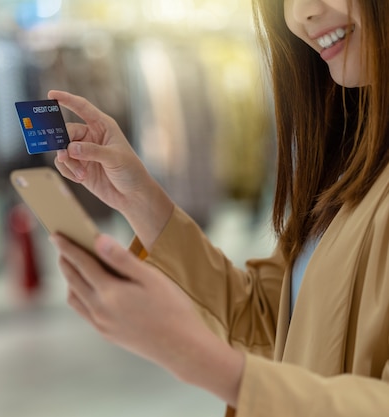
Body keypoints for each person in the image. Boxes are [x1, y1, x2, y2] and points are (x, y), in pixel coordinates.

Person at [47, 0, 389, 415]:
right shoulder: (352, 160)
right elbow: (270, 327)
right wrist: (140, 199)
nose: (301, 14)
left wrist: (198, 359)